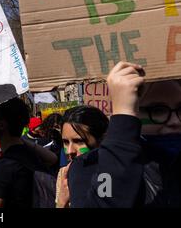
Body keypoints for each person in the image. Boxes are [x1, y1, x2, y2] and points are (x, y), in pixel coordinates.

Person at [68, 61, 181, 207]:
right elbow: (106, 199)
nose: (175, 121)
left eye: (180, 109)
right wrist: (123, 120)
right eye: (158, 111)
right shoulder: (90, 164)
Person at [0, 97, 57, 208]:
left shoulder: (2, 167)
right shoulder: (31, 156)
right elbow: (52, 158)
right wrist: (17, 136)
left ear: (1, 125)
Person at [55, 106, 109, 208]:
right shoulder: (64, 174)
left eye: (79, 141)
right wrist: (61, 203)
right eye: (66, 142)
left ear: (101, 139)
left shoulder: (111, 173)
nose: (70, 151)